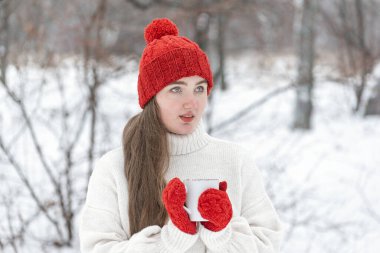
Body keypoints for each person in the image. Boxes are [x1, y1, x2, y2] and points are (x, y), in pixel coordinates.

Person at [79, 18, 283, 253]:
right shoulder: (114, 168)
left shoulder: (235, 160)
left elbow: (268, 244)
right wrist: (173, 238)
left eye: (199, 88)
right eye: (176, 89)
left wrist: (221, 233)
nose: (191, 103)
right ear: (152, 98)